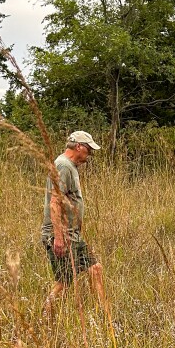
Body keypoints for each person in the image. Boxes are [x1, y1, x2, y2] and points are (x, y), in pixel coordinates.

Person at [41, 131, 105, 314]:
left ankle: (104, 316)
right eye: (88, 149)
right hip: (62, 235)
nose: (90, 153)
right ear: (78, 147)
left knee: (95, 269)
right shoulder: (63, 166)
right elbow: (55, 202)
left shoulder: (70, 166)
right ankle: (44, 317)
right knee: (64, 283)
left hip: (72, 234)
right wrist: (59, 238)